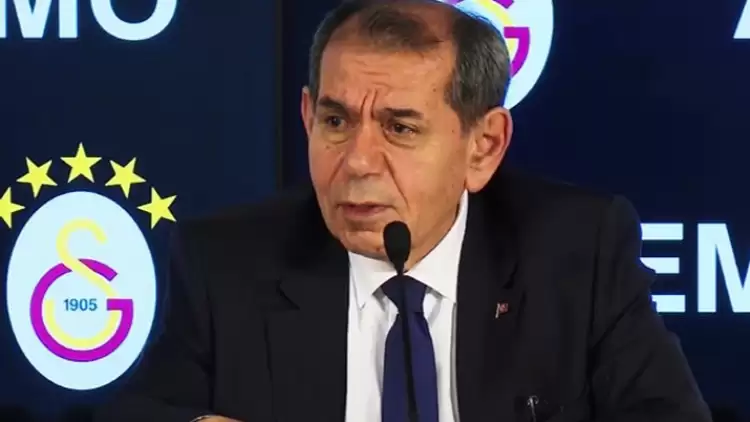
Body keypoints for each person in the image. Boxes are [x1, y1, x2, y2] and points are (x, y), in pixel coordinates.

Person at [96, 0, 711, 421]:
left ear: (483, 146)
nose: (358, 161)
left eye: (400, 128)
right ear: (307, 117)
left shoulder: (577, 253)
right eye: (336, 121)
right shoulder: (228, 263)